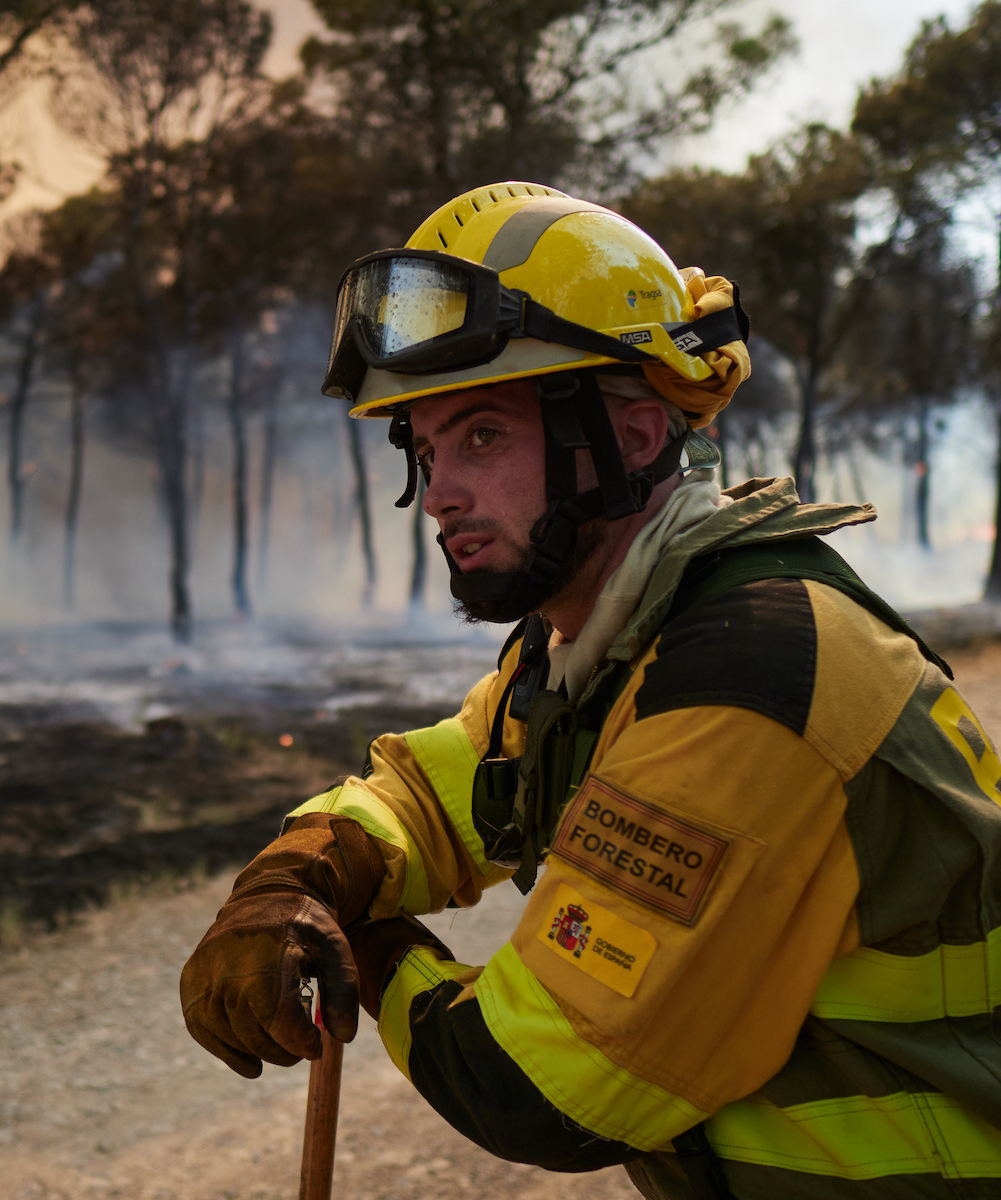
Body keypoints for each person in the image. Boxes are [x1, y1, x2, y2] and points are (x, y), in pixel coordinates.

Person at [179, 181, 1001, 1199]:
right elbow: (430, 795)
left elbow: (539, 1082)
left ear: (638, 433)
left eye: (481, 435)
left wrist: (368, 943)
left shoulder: (750, 668)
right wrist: (296, 876)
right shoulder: (603, 647)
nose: (437, 491)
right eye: (426, 450)